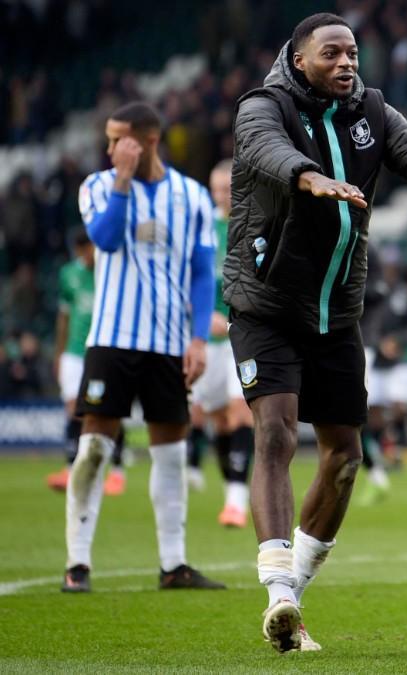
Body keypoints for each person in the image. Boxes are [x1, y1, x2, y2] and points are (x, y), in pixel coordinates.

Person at [225, 12, 407, 653]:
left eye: (353, 53)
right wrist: (309, 177)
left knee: (344, 458)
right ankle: (276, 587)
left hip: (337, 311)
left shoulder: (374, 112)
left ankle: (290, 601)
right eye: (331, 53)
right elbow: (264, 151)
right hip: (267, 305)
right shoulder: (263, 106)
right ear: (299, 59)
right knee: (275, 430)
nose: (346, 63)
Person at [64, 100, 226, 593]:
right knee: (94, 448)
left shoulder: (191, 196)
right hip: (111, 339)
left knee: (172, 456)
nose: (110, 148)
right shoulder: (97, 186)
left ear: (149, 139)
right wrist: (122, 179)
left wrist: (198, 338)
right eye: (109, 140)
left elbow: (202, 272)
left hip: (169, 345)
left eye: (119, 140)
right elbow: (107, 241)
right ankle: (77, 564)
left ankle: (173, 565)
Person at [187, 159, 256, 527]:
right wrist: (199, 317)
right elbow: (184, 279)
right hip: (207, 339)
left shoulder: (253, 224)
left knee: (239, 411)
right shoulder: (201, 229)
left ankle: (236, 502)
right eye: (215, 189)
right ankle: (230, 483)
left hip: (242, 335)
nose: (221, 195)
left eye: (226, 188)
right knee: (218, 419)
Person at [47, 230, 127, 497]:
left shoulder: (111, 271)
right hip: (74, 352)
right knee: (74, 408)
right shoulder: (68, 274)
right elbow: (63, 317)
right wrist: (59, 354)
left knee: (109, 409)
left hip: (102, 351)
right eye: (83, 250)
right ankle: (71, 468)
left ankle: (117, 471)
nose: (88, 255)